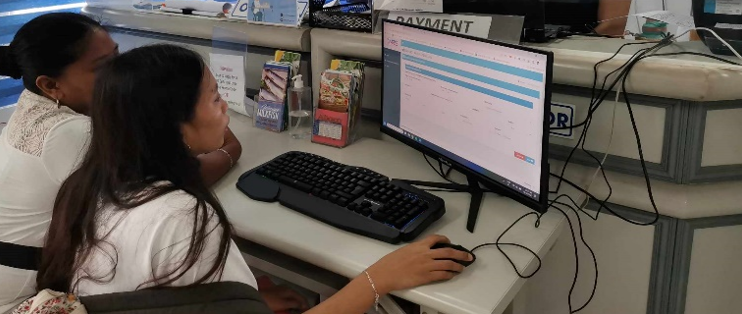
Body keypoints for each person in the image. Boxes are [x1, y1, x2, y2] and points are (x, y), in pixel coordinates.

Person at [37, 44, 472, 312]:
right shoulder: (180, 217)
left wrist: (240, 299)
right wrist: (382, 277)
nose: (225, 106)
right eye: (213, 97)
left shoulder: (88, 188)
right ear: (174, 125)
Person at [0, 15, 240, 314]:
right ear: (50, 85)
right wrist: (230, 149)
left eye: (117, 56)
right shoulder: (73, 133)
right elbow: (171, 179)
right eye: (103, 66)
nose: (120, 71)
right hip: (0, 305)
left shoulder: (32, 106)